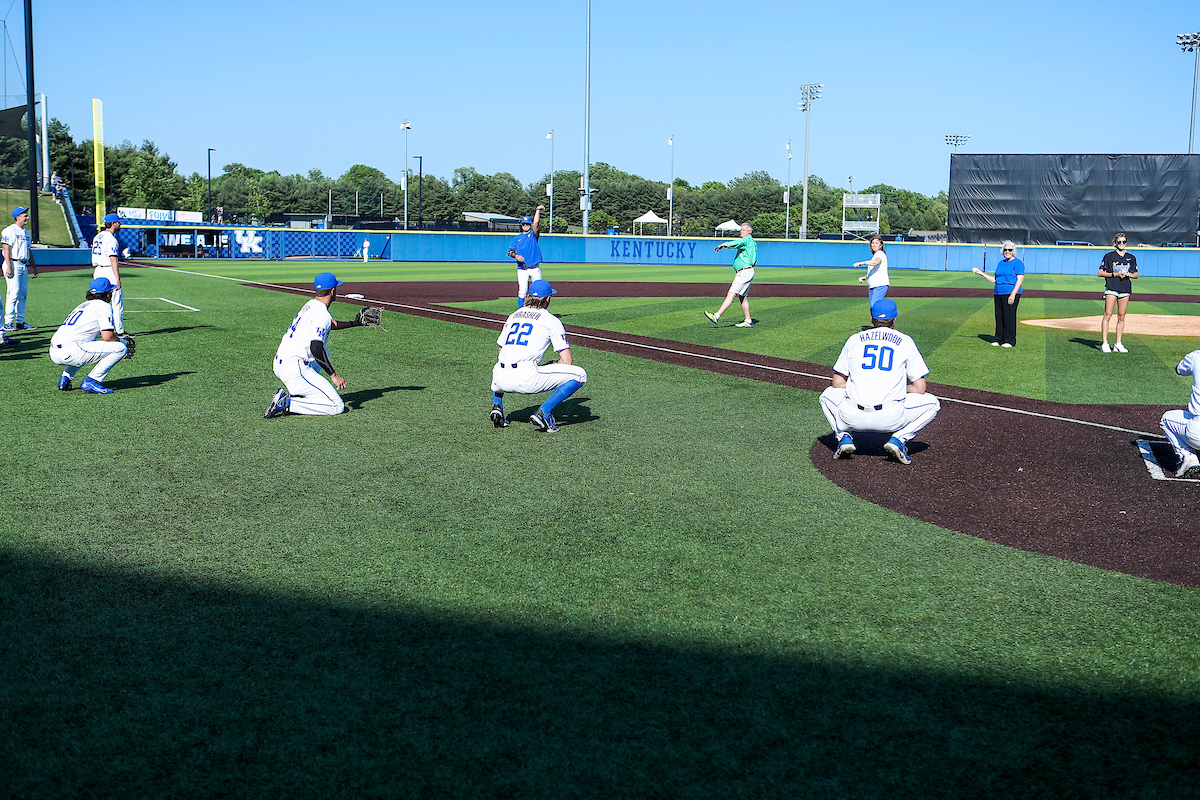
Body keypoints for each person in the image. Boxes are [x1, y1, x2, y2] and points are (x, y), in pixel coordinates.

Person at [818, 299, 940, 465]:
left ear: (871, 319)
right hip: (891, 418)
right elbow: (920, 388)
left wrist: (861, 385)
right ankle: (898, 439)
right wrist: (894, 387)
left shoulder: (854, 339)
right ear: (895, 320)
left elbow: (837, 383)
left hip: (851, 417)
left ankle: (844, 437)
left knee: (826, 395)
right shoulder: (905, 341)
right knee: (933, 403)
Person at [265, 272, 373, 418]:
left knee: (326, 353)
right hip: (294, 368)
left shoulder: (311, 305)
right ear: (333, 291)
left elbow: (330, 324)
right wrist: (334, 375)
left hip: (281, 362)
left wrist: (354, 323)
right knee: (337, 406)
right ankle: (287, 403)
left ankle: (301, 391)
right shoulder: (322, 314)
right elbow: (315, 347)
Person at [489, 279, 587, 433]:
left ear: (528, 296)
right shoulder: (551, 320)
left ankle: (497, 406)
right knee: (580, 375)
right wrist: (554, 363)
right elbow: (567, 361)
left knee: (500, 364)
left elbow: (501, 352)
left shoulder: (514, 315)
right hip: (526, 379)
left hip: (498, 379)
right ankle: (544, 413)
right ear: (548, 298)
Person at [49, 277, 129, 394]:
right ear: (107, 294)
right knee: (120, 348)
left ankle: (65, 379)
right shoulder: (104, 306)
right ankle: (92, 381)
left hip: (53, 352)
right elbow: (107, 336)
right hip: (72, 352)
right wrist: (121, 341)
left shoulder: (83, 305)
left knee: (86, 345)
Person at [971, 240, 1025, 347]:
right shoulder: (1001, 263)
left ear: (1013, 251)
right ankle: (999, 339)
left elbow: (1020, 280)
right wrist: (981, 273)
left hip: (1010, 292)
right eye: (1005, 250)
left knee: (1009, 317)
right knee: (999, 316)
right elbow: (995, 279)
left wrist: (1013, 294)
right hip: (998, 292)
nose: (1007, 252)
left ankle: (1010, 340)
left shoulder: (1017, 263)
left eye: (1010, 250)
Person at [704, 222, 756, 328]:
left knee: (731, 294)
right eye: (741, 230)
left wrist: (725, 244)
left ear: (749, 232)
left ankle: (717, 316)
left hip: (744, 272)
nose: (741, 231)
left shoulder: (747, 239)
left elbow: (736, 243)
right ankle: (748, 320)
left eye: (743, 230)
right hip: (746, 272)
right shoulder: (749, 241)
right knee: (742, 297)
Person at [1161, 349, 1200, 479]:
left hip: (1197, 431)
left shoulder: (1196, 356)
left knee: (1166, 419)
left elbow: (1179, 369)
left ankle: (1188, 457)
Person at [1098, 232, 1137, 353]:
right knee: (1108, 315)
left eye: (1124, 242)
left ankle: (1118, 343)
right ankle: (1104, 343)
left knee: (1121, 316)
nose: (1122, 244)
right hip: (1112, 287)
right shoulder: (1109, 256)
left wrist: (1128, 274)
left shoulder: (1131, 257)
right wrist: (1115, 274)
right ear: (1115, 243)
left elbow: (1136, 274)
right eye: (1119, 242)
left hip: (1125, 288)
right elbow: (1100, 272)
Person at [91, 213, 128, 336]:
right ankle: (120, 331)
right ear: (113, 224)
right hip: (108, 270)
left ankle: (98, 329)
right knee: (116, 302)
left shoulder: (97, 236)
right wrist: (117, 278)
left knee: (99, 301)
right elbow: (113, 259)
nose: (120, 224)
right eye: (118, 222)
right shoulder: (111, 239)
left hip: (97, 270)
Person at [3, 206, 36, 332]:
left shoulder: (26, 232)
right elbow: (6, 248)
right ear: (18, 217)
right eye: (25, 215)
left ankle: (20, 322)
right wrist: (9, 266)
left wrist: (34, 267)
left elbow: (28, 250)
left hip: (23, 264)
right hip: (13, 263)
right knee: (13, 293)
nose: (27, 217)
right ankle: (8, 322)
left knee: (23, 294)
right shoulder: (10, 230)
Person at [507, 204, 546, 308]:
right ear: (521, 225)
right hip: (522, 269)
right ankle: (521, 311)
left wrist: (537, 210)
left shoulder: (533, 235)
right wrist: (516, 256)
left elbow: (536, 224)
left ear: (530, 225)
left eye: (527, 224)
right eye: (524, 224)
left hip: (534, 268)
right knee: (522, 291)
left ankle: (539, 311)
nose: (525, 226)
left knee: (539, 290)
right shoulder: (517, 238)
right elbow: (510, 252)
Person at [854, 234, 890, 306]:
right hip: (873, 285)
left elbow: (877, 262)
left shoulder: (880, 253)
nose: (874, 245)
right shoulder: (875, 255)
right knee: (872, 308)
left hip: (880, 285)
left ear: (881, 245)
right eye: (873, 243)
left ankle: (891, 315)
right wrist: (866, 277)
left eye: (877, 243)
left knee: (875, 307)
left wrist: (863, 263)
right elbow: (875, 270)